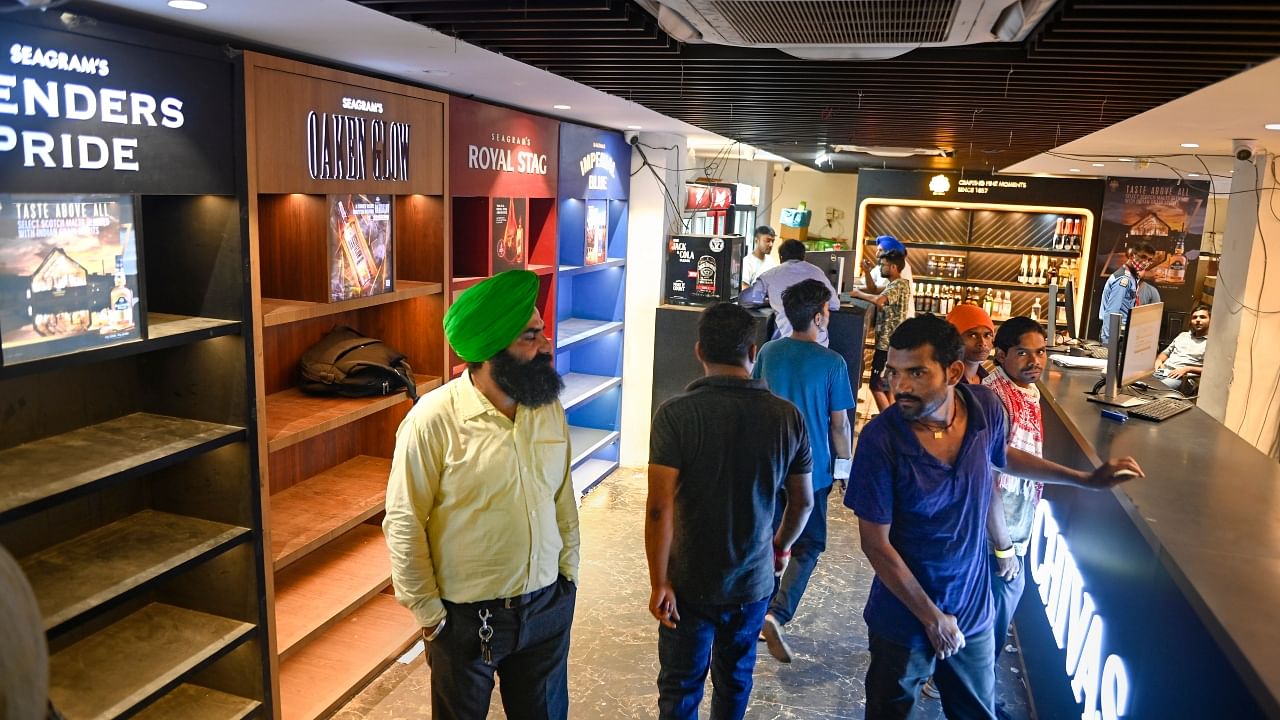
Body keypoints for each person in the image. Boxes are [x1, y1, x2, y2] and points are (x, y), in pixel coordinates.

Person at [844, 314, 1143, 720]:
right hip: (904, 613)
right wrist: (931, 618)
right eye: (893, 373)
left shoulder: (983, 407)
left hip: (972, 604)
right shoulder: (882, 440)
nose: (901, 386)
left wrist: (1085, 479)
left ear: (952, 372)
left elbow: (1002, 458)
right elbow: (875, 544)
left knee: (975, 712)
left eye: (916, 372)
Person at [384, 270, 580, 720]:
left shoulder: (547, 410)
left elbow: (563, 500)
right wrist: (431, 616)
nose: (546, 344)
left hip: (548, 607)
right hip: (466, 622)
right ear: (494, 350)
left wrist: (568, 576)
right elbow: (403, 522)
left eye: (542, 331)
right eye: (531, 336)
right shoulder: (432, 420)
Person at [647, 302, 815, 720]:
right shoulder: (787, 417)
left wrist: (658, 581)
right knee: (736, 679)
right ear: (754, 352)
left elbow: (658, 507)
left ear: (699, 350)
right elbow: (804, 501)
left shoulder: (675, 414)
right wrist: (779, 548)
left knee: (680, 685)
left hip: (686, 580)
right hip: (752, 581)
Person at [751, 279, 856, 663]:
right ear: (817, 316)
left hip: (770, 466)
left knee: (769, 540)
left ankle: (756, 609)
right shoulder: (833, 363)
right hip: (814, 474)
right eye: (827, 309)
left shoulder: (768, 352)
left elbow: (756, 401)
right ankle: (776, 614)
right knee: (807, 546)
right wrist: (845, 468)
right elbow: (839, 425)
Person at [982, 316, 1049, 719]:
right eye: (1023, 352)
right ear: (1002, 354)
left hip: (1012, 519)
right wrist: (1003, 546)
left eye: (1040, 351)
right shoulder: (997, 399)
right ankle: (974, 695)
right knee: (995, 612)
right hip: (998, 527)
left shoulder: (1024, 391)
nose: (1034, 360)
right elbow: (989, 478)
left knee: (994, 611)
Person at [740, 238, 840, 347]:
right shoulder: (817, 272)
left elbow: (745, 299)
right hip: (820, 345)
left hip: (784, 344)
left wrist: (770, 301)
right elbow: (835, 304)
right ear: (803, 256)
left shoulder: (770, 275)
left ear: (781, 258)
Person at [849, 249, 911, 412]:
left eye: (883, 265)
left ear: (893, 267)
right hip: (892, 344)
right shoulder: (896, 284)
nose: (881, 268)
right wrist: (868, 272)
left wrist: (857, 294)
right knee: (886, 386)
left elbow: (879, 300)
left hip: (887, 344)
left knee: (876, 385)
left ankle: (888, 421)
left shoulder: (897, 284)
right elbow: (874, 289)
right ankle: (893, 419)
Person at [1099, 242, 1161, 344]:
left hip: (1124, 332)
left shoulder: (1132, 278)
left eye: (1149, 260)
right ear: (1132, 256)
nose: (1145, 262)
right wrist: (1107, 343)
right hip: (1115, 335)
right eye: (1143, 257)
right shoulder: (1123, 279)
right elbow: (1112, 312)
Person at [1155, 304, 1210, 394]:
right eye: (1194, 317)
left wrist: (1187, 369)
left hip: (1184, 378)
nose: (1198, 320)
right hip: (1163, 372)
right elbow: (1165, 353)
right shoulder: (1183, 335)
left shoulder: (1211, 343)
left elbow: (1210, 370)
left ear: (1210, 320)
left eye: (1202, 317)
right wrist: (1159, 360)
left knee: (1154, 389)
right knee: (1136, 384)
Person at [948, 304, 995, 385]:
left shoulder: (988, 380)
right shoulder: (944, 382)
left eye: (987, 335)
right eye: (973, 335)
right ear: (954, 338)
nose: (982, 343)